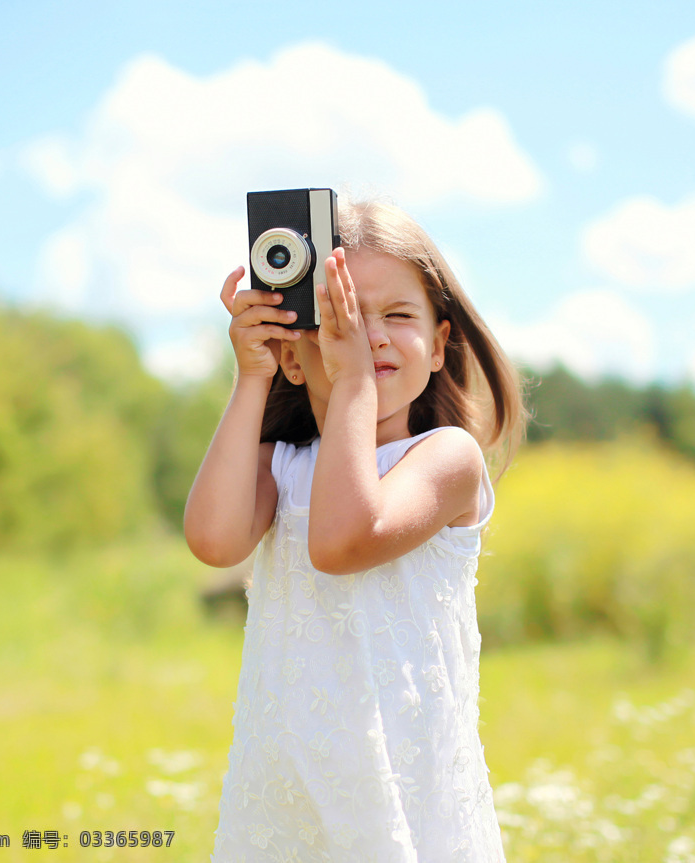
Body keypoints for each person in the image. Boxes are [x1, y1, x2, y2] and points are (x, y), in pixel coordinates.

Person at [186, 198, 525, 862]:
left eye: (396, 315)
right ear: (291, 355)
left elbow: (344, 539)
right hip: (291, 785)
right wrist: (250, 374)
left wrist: (349, 385)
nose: (367, 336)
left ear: (438, 342)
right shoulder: (281, 465)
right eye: (338, 316)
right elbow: (214, 541)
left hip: (406, 783)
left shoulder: (447, 458)